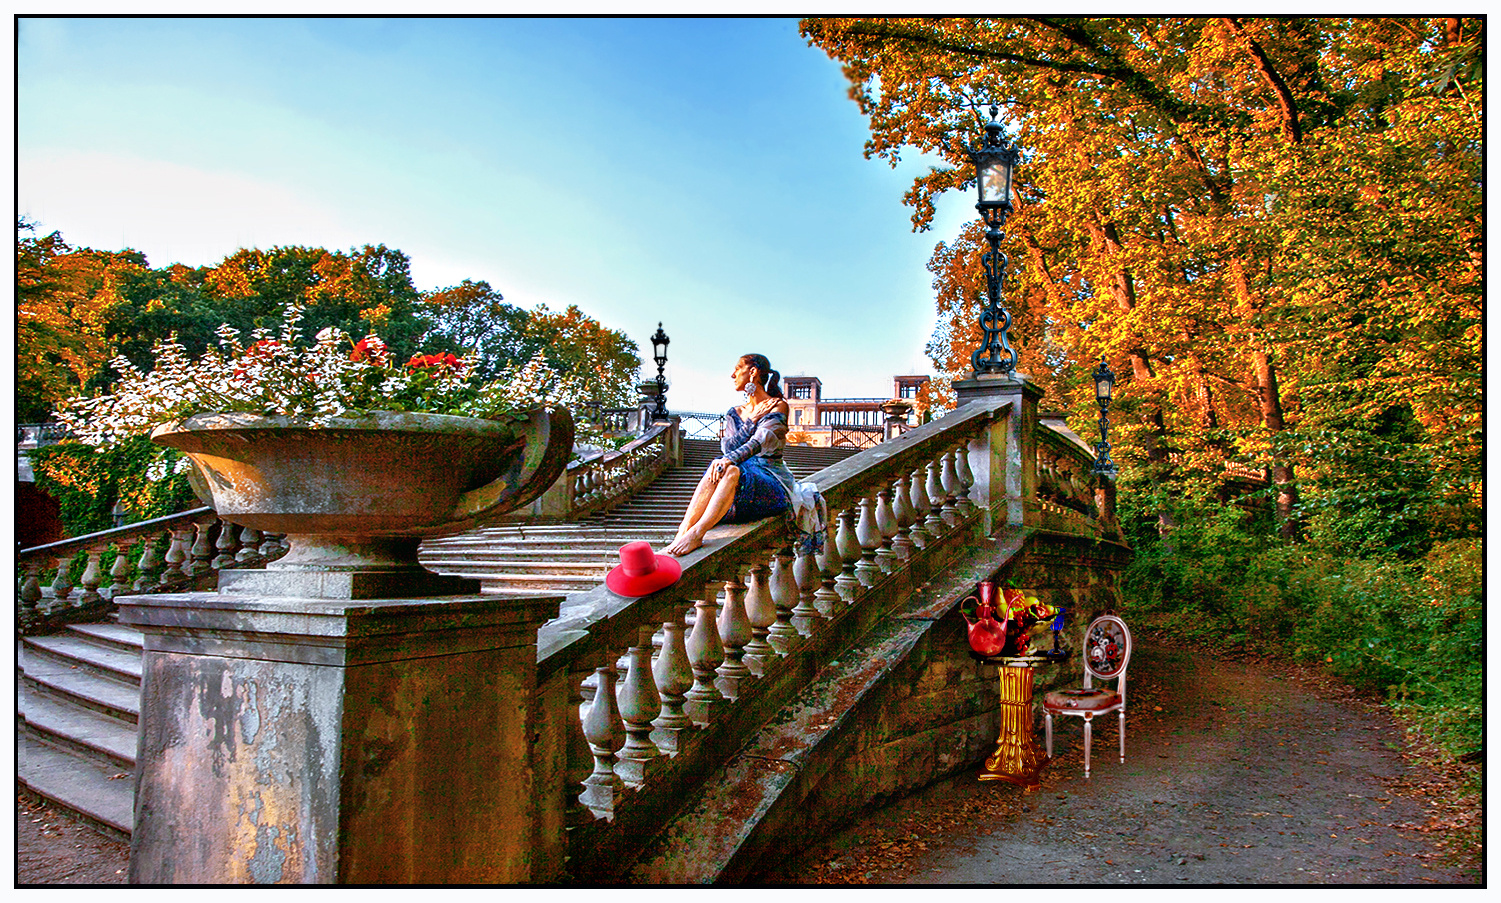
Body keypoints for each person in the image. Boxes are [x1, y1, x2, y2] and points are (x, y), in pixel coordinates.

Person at [664, 353, 795, 556]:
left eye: (737, 368)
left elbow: (759, 443)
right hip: (737, 490)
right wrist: (752, 420)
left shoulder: (777, 405)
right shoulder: (735, 412)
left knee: (730, 468)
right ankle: (682, 532)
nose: (732, 374)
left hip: (770, 484)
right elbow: (728, 449)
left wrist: (730, 459)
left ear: (752, 372)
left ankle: (697, 534)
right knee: (722, 464)